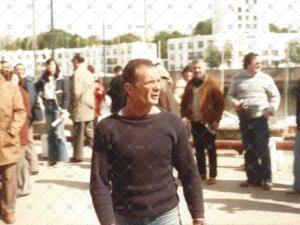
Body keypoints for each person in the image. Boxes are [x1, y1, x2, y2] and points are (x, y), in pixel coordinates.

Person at [90, 59, 205, 225]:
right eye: (150, 82)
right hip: (123, 217)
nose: (157, 87)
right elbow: (99, 182)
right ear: (129, 88)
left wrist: (198, 217)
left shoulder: (172, 123)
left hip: (166, 217)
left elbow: (189, 173)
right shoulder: (107, 128)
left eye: (158, 81)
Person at [227, 52, 280, 190]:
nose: (260, 65)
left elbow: (275, 96)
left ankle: (267, 179)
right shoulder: (237, 78)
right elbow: (229, 95)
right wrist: (234, 102)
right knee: (248, 149)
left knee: (263, 149)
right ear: (248, 63)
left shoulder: (266, 78)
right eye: (257, 63)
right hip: (244, 118)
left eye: (260, 63)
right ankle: (252, 179)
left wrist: (269, 111)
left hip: (260, 118)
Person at [181, 60, 225, 185]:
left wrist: (217, 119)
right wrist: (185, 115)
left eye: (199, 68)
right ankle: (201, 173)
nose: (197, 70)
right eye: (194, 68)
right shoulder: (190, 83)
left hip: (209, 122)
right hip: (195, 121)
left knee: (211, 149)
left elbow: (220, 103)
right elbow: (184, 101)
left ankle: (213, 175)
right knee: (199, 149)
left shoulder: (212, 82)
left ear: (205, 68)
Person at [0, 71, 26, 223]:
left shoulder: (11, 87)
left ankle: (9, 209)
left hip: (7, 141)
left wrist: (10, 131)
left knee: (9, 177)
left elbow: (20, 111)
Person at [35, 59, 70, 166]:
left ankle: (62, 158)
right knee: (50, 132)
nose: (49, 67)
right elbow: (35, 89)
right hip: (47, 105)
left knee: (59, 132)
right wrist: (40, 96)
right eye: (48, 65)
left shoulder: (62, 78)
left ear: (56, 65)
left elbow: (67, 95)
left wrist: (64, 109)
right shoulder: (43, 78)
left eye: (51, 64)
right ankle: (52, 159)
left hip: (58, 107)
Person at [8, 72, 32, 197]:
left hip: (20, 131)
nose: (13, 80)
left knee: (21, 160)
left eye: (15, 78)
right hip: (14, 131)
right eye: (11, 78)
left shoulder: (22, 93)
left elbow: (26, 113)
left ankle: (24, 186)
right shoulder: (9, 93)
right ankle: (20, 185)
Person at [14, 63, 39, 174]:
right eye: (17, 70)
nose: (19, 72)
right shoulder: (17, 83)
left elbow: (32, 100)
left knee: (28, 141)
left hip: (27, 117)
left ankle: (34, 167)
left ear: (24, 71)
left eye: (21, 69)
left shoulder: (28, 83)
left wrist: (28, 116)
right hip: (23, 116)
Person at [69, 53, 94, 162]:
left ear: (76, 61)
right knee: (90, 131)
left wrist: (72, 105)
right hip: (89, 105)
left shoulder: (77, 74)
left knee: (78, 133)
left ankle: (77, 156)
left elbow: (76, 92)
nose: (72, 63)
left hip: (80, 106)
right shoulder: (89, 73)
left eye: (73, 61)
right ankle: (101, 151)